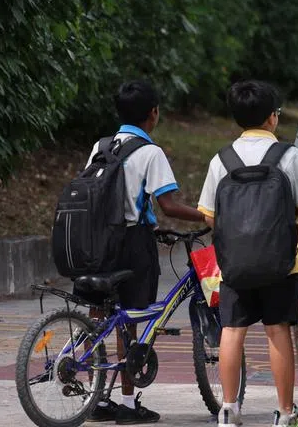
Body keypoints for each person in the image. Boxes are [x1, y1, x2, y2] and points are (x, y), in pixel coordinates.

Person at [197, 80, 298, 427]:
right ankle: (283, 411)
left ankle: (229, 408)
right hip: (282, 263)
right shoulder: (289, 156)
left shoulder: (221, 160)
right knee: (277, 330)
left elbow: (208, 215)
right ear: (272, 118)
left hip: (233, 264)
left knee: (232, 331)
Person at [87, 80, 205, 425]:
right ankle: (128, 402)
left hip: (96, 241)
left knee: (99, 318)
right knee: (132, 318)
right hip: (133, 242)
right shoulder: (150, 152)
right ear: (154, 113)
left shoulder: (102, 144)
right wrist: (206, 215)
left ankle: (96, 398)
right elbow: (167, 205)